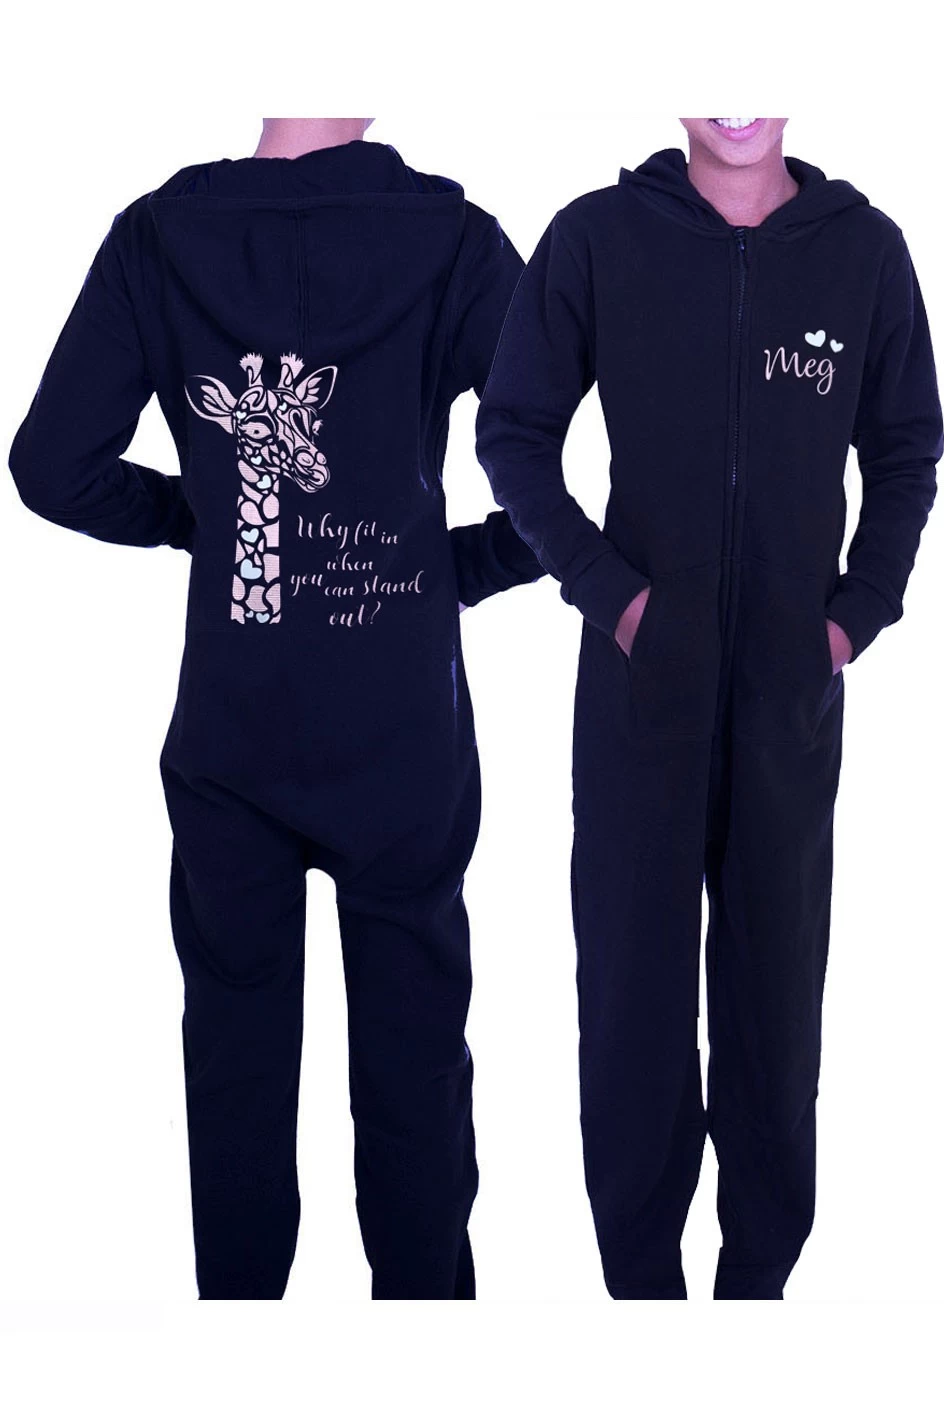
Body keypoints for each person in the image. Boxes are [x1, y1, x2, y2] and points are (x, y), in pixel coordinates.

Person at [8, 117, 544, 1300]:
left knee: (234, 1062)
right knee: (414, 1061)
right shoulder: (452, 241)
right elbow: (583, 455)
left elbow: (50, 465)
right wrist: (462, 564)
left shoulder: (158, 241)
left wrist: (195, 524)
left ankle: (237, 1345)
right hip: (400, 732)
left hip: (231, 732)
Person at [476, 117, 943, 1300]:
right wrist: (613, 597)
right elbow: (514, 432)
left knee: (774, 1000)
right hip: (639, 690)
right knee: (629, 999)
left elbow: (904, 451)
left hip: (789, 697)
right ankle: (642, 1292)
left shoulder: (863, 252)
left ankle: (756, 1294)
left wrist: (853, 615)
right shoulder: (597, 238)